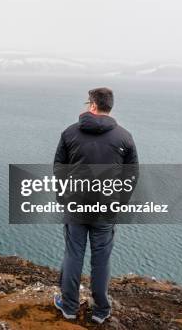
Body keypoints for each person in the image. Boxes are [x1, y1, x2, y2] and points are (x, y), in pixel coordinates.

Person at [52, 87, 138, 324]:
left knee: (73, 254)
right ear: (110, 106)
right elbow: (131, 176)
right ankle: (100, 311)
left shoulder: (70, 133)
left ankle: (68, 307)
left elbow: (59, 169)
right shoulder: (124, 137)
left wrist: (63, 197)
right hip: (106, 210)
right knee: (101, 259)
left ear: (92, 105)